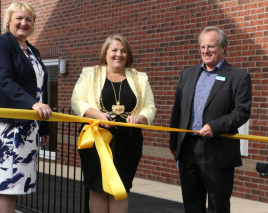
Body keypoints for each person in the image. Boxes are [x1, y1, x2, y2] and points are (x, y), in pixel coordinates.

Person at [0, 2, 52, 213]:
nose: (23, 23)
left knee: (15, 182)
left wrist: (44, 127)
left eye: (28, 19)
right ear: (8, 20)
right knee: (4, 183)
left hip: (27, 126)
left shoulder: (33, 51)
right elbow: (3, 80)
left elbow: (40, 90)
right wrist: (33, 104)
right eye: (19, 18)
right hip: (3, 126)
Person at [169, 26, 252, 213]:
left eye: (211, 47)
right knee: (192, 204)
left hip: (218, 150)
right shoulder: (187, 74)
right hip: (188, 149)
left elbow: (242, 112)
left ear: (223, 47)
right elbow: (178, 110)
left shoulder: (239, 77)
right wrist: (174, 144)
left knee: (218, 206)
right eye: (203, 46)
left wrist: (214, 126)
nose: (205, 51)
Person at [71, 34, 156, 213]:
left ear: (128, 55)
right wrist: (97, 115)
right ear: (105, 54)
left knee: (119, 190)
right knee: (97, 189)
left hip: (128, 141)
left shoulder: (140, 77)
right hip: (96, 138)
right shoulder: (90, 73)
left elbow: (150, 108)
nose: (119, 54)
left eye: (123, 51)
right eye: (114, 50)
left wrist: (139, 118)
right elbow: (77, 101)